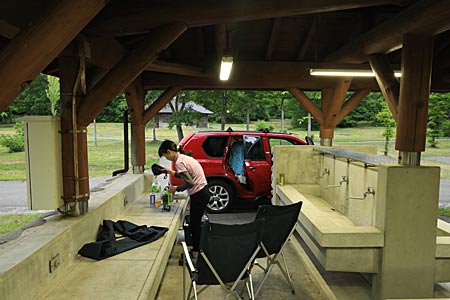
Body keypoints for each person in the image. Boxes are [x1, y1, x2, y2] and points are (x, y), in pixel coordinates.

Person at [158, 140, 209, 255]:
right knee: (195, 222)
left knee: (195, 224)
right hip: (203, 192)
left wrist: (175, 189)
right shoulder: (184, 158)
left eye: (165, 156)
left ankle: (197, 251)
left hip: (199, 194)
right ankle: (199, 248)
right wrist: (170, 172)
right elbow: (185, 176)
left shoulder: (179, 162)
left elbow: (189, 183)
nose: (166, 158)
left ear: (169, 152)